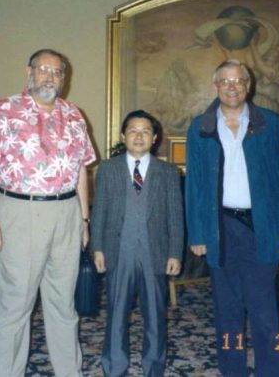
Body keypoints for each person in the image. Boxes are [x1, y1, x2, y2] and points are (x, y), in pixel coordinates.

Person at [0, 48, 96, 377]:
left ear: (65, 77)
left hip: (66, 213)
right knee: (15, 304)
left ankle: (68, 372)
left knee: (63, 304)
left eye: (57, 71)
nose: (49, 76)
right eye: (43, 69)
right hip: (19, 211)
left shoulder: (74, 114)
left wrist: (84, 220)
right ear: (28, 72)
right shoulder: (4, 110)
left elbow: (81, 172)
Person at [185, 60, 279, 377]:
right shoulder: (200, 126)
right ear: (215, 86)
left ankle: (269, 371)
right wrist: (197, 233)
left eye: (238, 81)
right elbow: (194, 184)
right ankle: (232, 370)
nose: (232, 86)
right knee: (227, 309)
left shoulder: (270, 124)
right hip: (220, 228)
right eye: (225, 81)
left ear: (248, 86)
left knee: (264, 309)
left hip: (261, 227)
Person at [91, 110, 184, 377]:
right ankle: (114, 367)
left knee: (155, 315)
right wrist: (97, 247)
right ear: (123, 136)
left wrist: (175, 253)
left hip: (154, 252)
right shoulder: (108, 169)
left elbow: (176, 216)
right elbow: (100, 213)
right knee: (116, 313)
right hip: (118, 252)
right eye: (133, 130)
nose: (139, 136)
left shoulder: (167, 172)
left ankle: (154, 367)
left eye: (145, 131)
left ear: (154, 138)